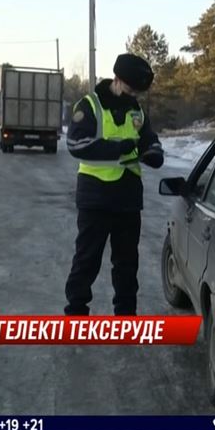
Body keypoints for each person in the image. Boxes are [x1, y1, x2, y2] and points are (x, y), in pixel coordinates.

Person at [64, 53, 165, 316]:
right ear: (118, 80)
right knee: (87, 260)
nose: (136, 95)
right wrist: (117, 148)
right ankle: (76, 313)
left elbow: (148, 139)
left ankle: (125, 316)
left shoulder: (136, 110)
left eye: (140, 91)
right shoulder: (89, 106)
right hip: (95, 198)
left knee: (127, 263)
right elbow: (76, 144)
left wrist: (154, 152)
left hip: (128, 199)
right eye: (132, 88)